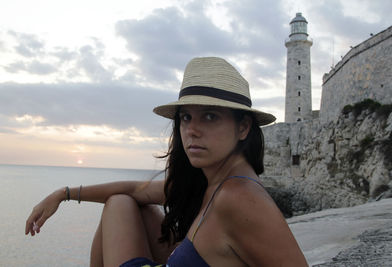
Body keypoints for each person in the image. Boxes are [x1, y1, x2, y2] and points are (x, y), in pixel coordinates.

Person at [25, 57, 308, 267]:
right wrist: (64, 194)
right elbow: (138, 190)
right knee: (123, 201)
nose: (192, 129)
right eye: (186, 117)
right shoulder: (210, 182)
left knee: (118, 204)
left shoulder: (240, 197)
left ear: (243, 127)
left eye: (210, 116)